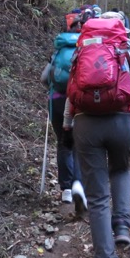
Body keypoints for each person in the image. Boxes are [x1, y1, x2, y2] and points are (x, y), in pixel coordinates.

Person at [61, 11, 130, 258]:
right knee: (121, 169)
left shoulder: (81, 49)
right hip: (123, 120)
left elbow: (70, 91)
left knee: (98, 197)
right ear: (122, 28)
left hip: (86, 124)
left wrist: (66, 127)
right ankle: (122, 225)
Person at [40, 13, 89, 212]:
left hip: (57, 100)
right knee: (79, 143)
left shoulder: (58, 49)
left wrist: (53, 87)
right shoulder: (86, 47)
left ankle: (66, 189)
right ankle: (79, 183)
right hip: (78, 101)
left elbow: (44, 78)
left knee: (63, 143)